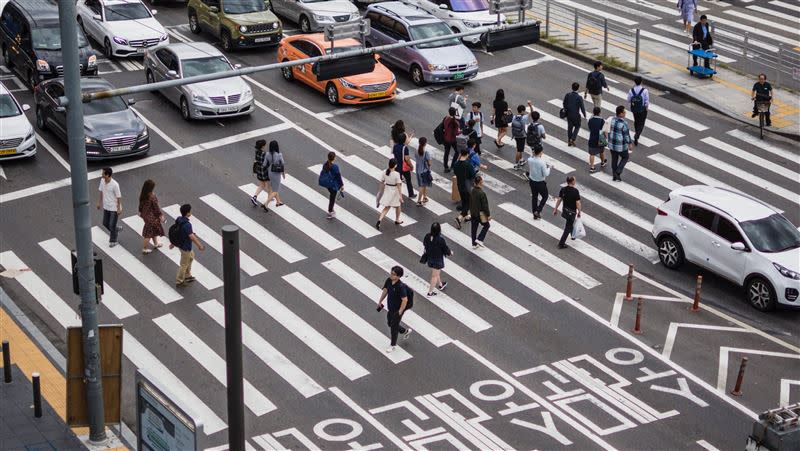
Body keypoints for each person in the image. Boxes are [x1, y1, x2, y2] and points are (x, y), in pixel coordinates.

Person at [377, 265, 412, 354]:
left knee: (393, 326)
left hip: (398, 309)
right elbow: (385, 291)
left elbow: (405, 300)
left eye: (394, 274)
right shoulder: (389, 281)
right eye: (391, 273)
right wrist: (380, 301)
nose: (391, 275)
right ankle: (405, 331)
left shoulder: (400, 286)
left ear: (399, 276)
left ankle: (393, 345)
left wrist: (400, 311)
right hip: (391, 307)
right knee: (390, 323)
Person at [170, 203, 205, 287]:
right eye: (190, 211)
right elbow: (191, 236)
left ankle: (187, 274)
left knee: (191, 256)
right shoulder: (187, 224)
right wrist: (200, 245)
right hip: (185, 246)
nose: (191, 213)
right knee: (184, 264)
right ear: (188, 213)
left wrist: (173, 243)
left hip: (181, 244)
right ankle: (179, 281)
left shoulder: (179, 219)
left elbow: (177, 232)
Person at [422, 222, 451, 296]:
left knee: (436, 272)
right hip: (437, 260)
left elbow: (424, 243)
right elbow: (445, 249)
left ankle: (441, 285)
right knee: (434, 276)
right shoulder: (440, 239)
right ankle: (430, 292)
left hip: (429, 258)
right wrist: (450, 252)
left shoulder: (427, 236)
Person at [553, 176, 581, 250]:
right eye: (575, 180)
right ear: (572, 182)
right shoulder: (575, 191)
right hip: (572, 212)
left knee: (569, 223)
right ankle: (561, 243)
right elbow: (578, 203)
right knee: (568, 227)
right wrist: (579, 211)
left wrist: (555, 209)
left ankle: (573, 235)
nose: (575, 181)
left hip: (565, 210)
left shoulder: (563, 189)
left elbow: (559, 199)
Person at [97, 167, 122, 247]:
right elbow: (101, 192)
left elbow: (119, 197)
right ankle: (116, 230)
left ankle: (113, 241)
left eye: (103, 173)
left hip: (114, 208)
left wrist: (118, 208)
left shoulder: (115, 185)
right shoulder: (102, 181)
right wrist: (99, 203)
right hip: (106, 206)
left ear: (107, 175)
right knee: (105, 223)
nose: (102, 175)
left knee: (111, 225)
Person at [138, 179, 165, 254]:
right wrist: (161, 215)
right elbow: (156, 207)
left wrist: (140, 212)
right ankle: (144, 248)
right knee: (148, 233)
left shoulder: (143, 194)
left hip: (145, 215)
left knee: (153, 230)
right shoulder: (152, 196)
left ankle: (156, 244)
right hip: (152, 216)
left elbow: (140, 205)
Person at [376, 159, 404, 229]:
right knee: (398, 206)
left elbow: (382, 182)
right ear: (395, 166)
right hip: (395, 191)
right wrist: (401, 196)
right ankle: (397, 219)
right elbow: (399, 186)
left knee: (387, 207)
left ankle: (379, 220)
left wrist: (381, 191)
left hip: (387, 190)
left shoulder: (384, 172)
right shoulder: (396, 174)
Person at [608, 105, 632, 182]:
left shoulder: (612, 120)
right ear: (620, 114)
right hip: (620, 145)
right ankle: (618, 172)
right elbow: (626, 135)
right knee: (625, 157)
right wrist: (629, 143)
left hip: (612, 144)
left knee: (614, 159)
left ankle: (614, 175)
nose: (625, 114)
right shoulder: (624, 123)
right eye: (624, 112)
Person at [453, 149, 476, 229]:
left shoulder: (456, 164)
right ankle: (459, 218)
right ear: (467, 155)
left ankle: (466, 217)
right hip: (467, 186)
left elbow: (455, 172)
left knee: (464, 201)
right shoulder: (468, 165)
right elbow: (473, 175)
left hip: (460, 185)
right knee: (469, 203)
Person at [526, 146, 550, 220]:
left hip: (532, 181)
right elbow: (545, 174)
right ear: (540, 152)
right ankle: (538, 211)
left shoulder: (530, 160)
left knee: (534, 196)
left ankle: (534, 212)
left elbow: (532, 157)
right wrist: (549, 168)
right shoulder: (542, 162)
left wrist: (533, 154)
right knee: (545, 196)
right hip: (540, 182)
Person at [319, 152, 344, 219]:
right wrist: (341, 185)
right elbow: (338, 177)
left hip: (327, 184)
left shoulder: (325, 164)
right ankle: (330, 211)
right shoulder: (335, 167)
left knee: (332, 196)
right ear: (334, 158)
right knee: (332, 198)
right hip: (333, 185)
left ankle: (331, 210)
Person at [391, 128, 415, 199]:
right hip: (403, 167)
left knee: (397, 181)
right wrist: (411, 166)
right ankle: (411, 194)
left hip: (396, 166)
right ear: (404, 140)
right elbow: (407, 159)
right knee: (408, 180)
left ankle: (395, 195)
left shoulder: (395, 146)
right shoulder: (405, 148)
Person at [626, 76, 650, 146]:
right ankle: (637, 134)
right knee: (641, 122)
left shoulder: (631, 90)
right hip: (642, 109)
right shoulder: (645, 90)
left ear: (635, 82)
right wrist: (646, 107)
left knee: (636, 121)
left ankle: (636, 131)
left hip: (634, 109)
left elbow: (628, 100)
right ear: (641, 82)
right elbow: (647, 100)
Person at [469, 176, 491, 249]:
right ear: (480, 183)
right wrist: (488, 215)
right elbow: (485, 206)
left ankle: (474, 244)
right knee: (487, 225)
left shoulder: (472, 190)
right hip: (480, 214)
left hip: (473, 213)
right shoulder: (482, 193)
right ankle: (480, 239)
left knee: (474, 229)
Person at [510, 101, 534, 169]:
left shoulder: (514, 117)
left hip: (515, 135)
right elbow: (532, 112)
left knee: (519, 148)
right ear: (523, 111)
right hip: (522, 136)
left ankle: (521, 160)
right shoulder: (524, 118)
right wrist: (530, 105)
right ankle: (516, 164)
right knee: (519, 150)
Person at [563, 82, 586, 147]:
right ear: (578, 88)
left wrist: (565, 109)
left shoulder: (568, 95)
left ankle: (569, 140)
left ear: (572, 87)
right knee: (577, 126)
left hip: (569, 114)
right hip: (576, 115)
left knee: (570, 128)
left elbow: (564, 103)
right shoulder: (579, 97)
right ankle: (572, 139)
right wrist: (584, 114)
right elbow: (582, 107)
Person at [264, 140, 286, 209]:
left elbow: (264, 164)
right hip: (276, 173)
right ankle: (266, 203)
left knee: (273, 187)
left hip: (269, 172)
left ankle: (278, 201)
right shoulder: (279, 155)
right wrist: (283, 173)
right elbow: (282, 163)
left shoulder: (267, 154)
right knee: (275, 190)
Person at [250, 139, 270, 208]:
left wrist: (254, 171)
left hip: (259, 170)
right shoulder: (265, 154)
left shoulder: (257, 152)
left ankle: (254, 197)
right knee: (268, 186)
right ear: (263, 146)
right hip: (264, 171)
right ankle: (269, 198)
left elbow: (255, 161)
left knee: (262, 185)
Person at [586, 107, 607, 173]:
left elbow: (589, 127)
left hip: (592, 138)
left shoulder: (590, 120)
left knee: (592, 154)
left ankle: (592, 167)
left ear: (593, 112)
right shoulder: (602, 120)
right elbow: (604, 130)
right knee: (601, 151)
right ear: (599, 113)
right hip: (600, 138)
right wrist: (606, 137)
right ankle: (603, 162)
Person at [414, 137, 433, 206]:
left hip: (418, 170)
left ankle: (425, 197)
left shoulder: (416, 151)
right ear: (425, 143)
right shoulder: (426, 152)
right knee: (422, 186)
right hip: (424, 171)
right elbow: (429, 163)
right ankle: (419, 201)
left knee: (423, 184)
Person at [442, 107, 461, 172]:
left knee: (446, 153)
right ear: (455, 113)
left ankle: (445, 167)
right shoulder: (456, 122)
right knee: (457, 151)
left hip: (446, 138)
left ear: (449, 112)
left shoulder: (446, 118)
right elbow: (456, 133)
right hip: (452, 140)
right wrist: (461, 131)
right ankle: (453, 165)